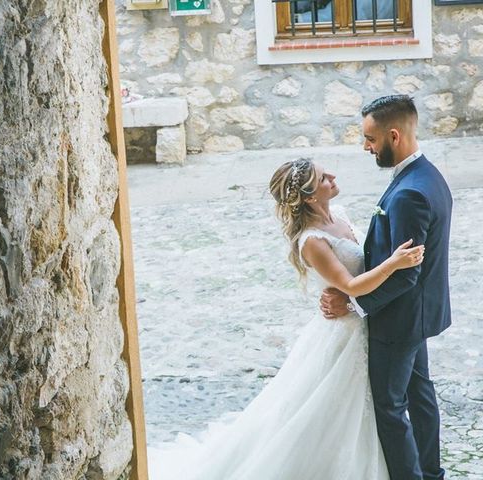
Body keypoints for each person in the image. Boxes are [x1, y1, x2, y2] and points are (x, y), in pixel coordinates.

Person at [147, 157, 425, 480]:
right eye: (323, 178)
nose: (332, 176)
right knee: (332, 414)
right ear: (309, 197)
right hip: (343, 334)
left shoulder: (341, 215)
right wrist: (394, 263)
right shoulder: (312, 241)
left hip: (359, 322)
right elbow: (349, 285)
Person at [320, 95, 452, 480]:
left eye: (371, 139)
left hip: (399, 317)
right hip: (420, 312)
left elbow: (406, 273)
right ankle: (430, 472)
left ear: (394, 135)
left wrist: (356, 305)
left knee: (390, 407)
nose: (366, 147)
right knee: (420, 395)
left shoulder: (410, 193)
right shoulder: (427, 174)